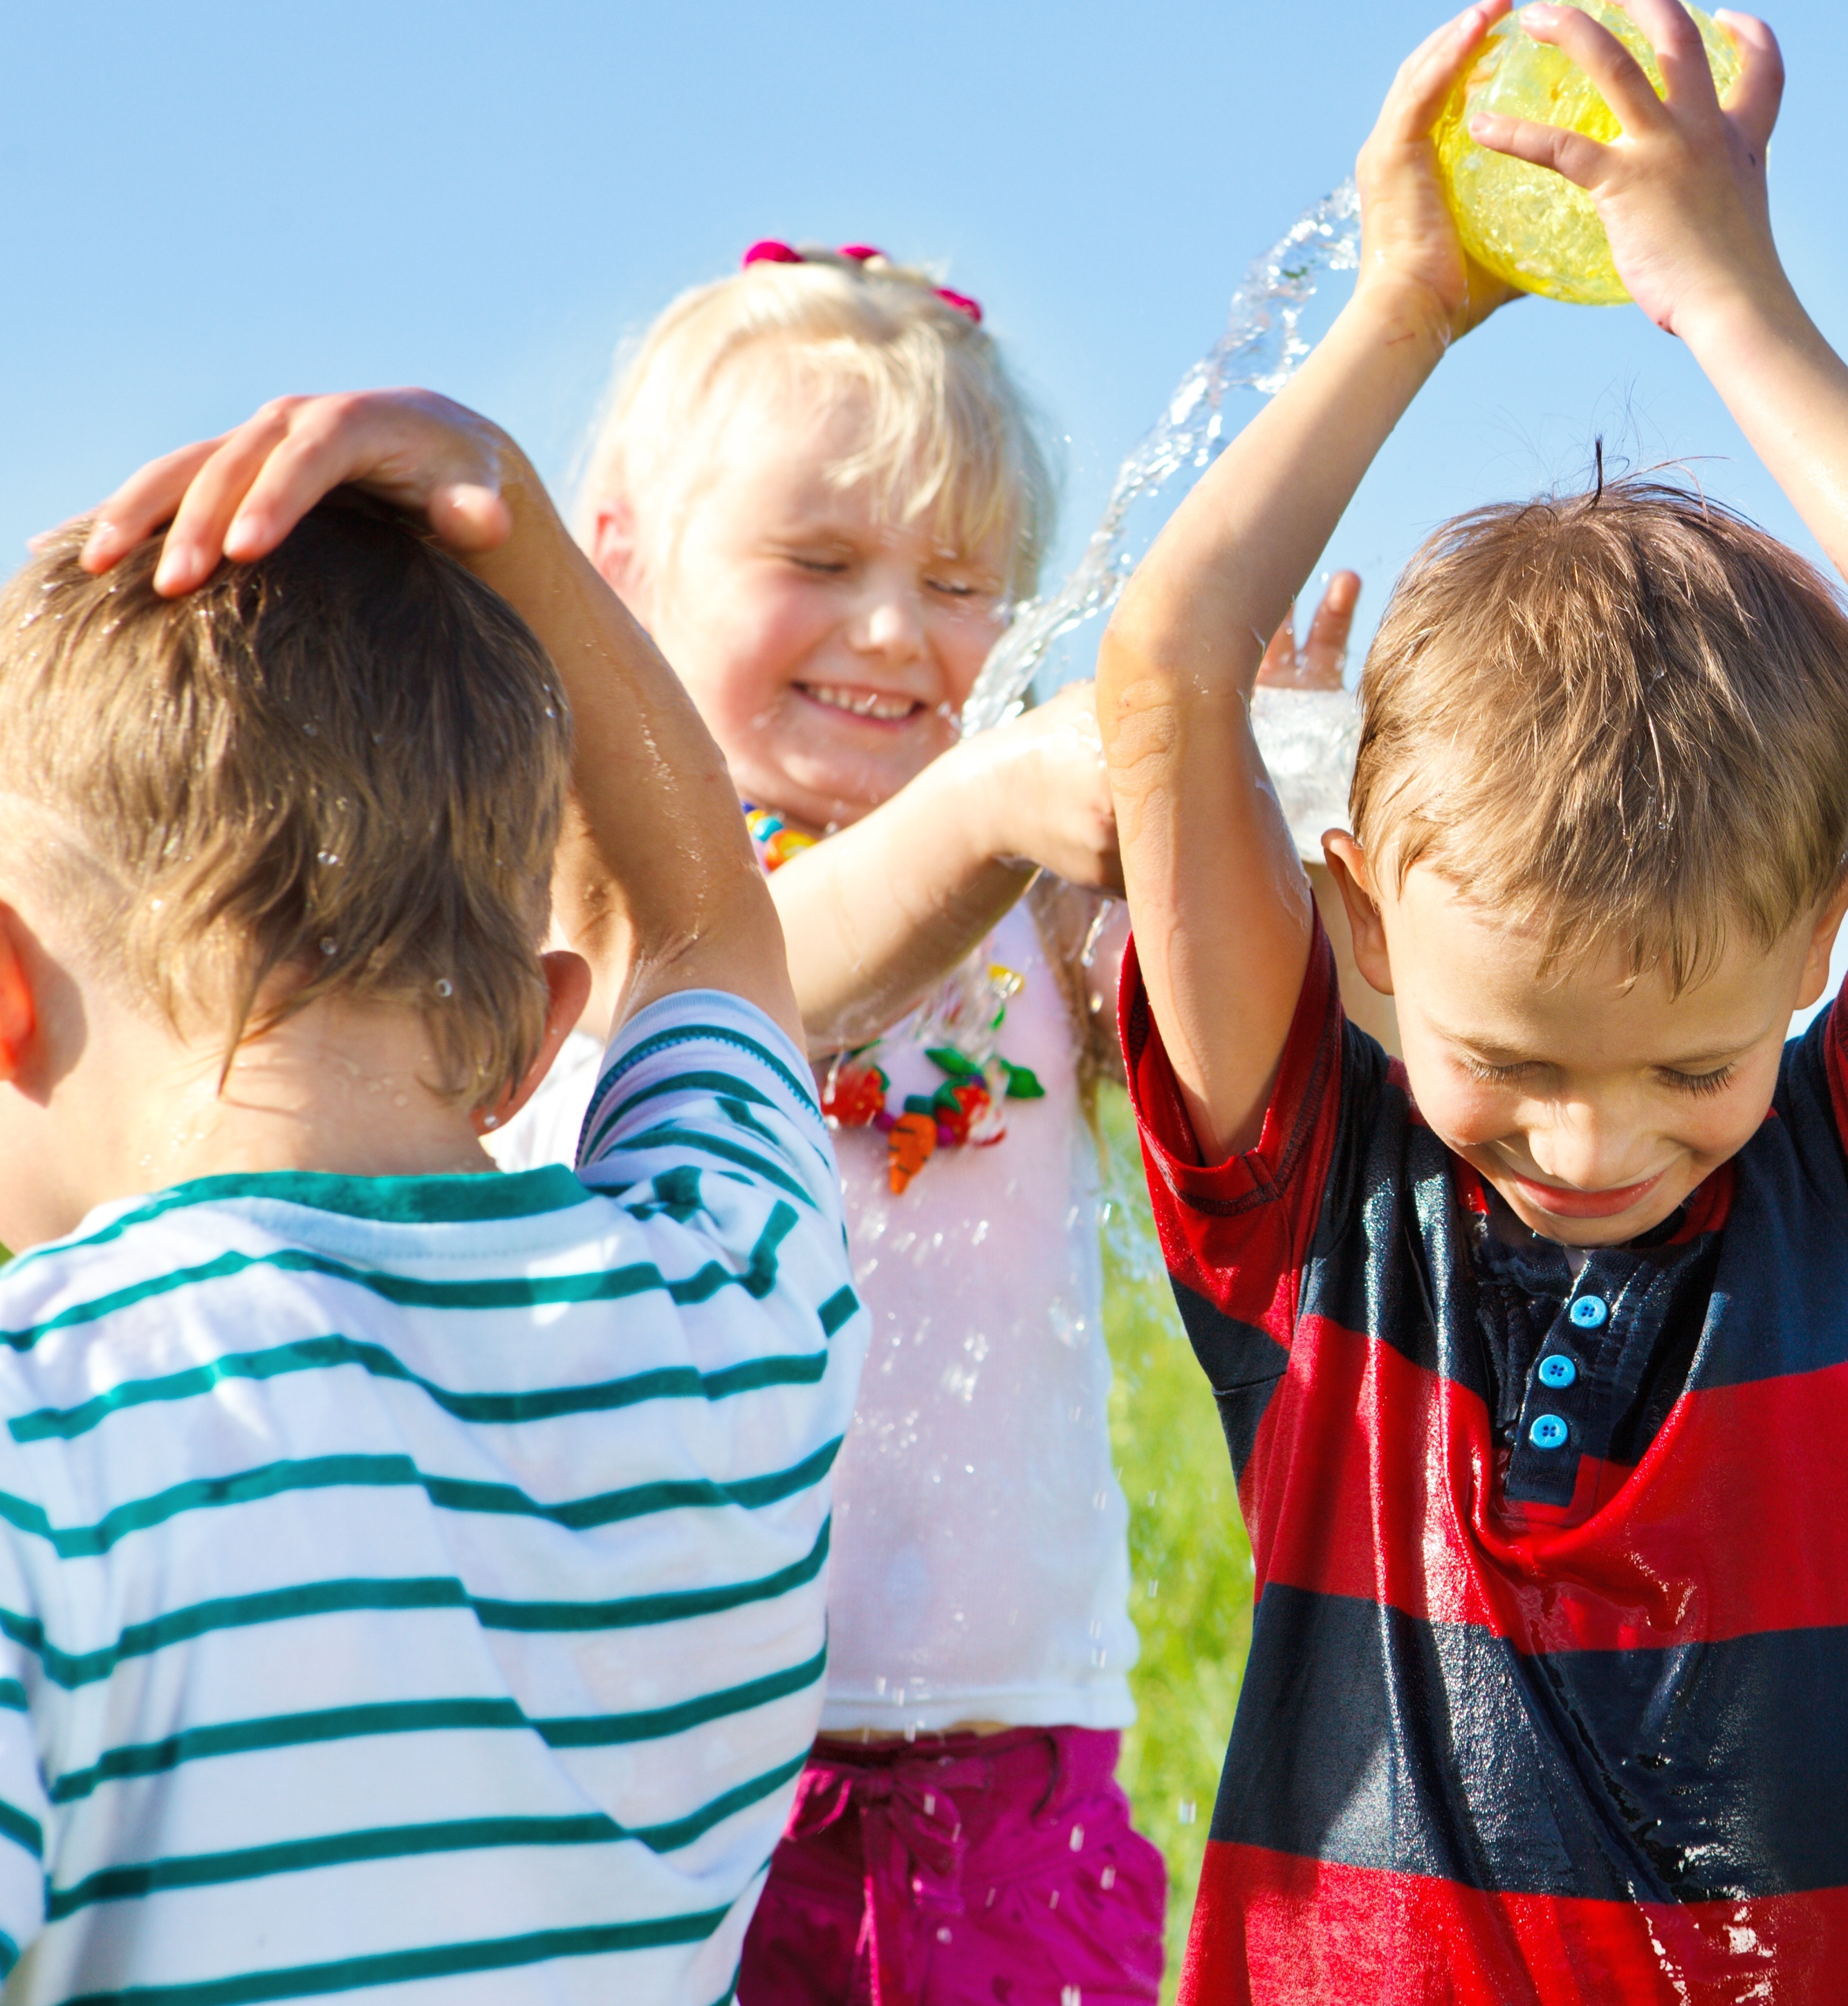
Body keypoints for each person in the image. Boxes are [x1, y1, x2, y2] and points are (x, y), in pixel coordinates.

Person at [1096, 0, 1848, 2001]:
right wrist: (1407, 299)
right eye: (1511, 1058)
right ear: (1365, 918)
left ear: (1830, 933)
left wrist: (1724, 296)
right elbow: (1167, 678)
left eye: (1693, 1060)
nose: (1594, 1135)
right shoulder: (1319, 1221)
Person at [485, 240, 1374, 2002]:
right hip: (650, 1767)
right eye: (818, 562)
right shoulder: (581, 897)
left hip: (1008, 1757)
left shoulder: (1034, 915)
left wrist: (1269, 813)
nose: (895, 629)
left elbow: (1262, 1060)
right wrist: (983, 803)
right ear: (622, 566)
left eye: (962, 584)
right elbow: (755, 981)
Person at [0, 393, 862, 2000]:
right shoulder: (732, 1314)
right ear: (542, 1035)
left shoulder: (43, 1428)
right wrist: (508, 514)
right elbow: (712, 926)